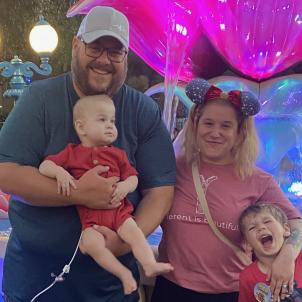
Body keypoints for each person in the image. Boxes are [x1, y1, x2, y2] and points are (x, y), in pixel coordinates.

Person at [0, 6, 176, 302]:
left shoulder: (143, 110)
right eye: (95, 47)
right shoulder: (39, 99)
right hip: (35, 282)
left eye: (115, 51)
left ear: (126, 57)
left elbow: (161, 190)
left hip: (112, 287)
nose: (104, 60)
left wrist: (121, 242)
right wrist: (79, 193)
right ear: (76, 45)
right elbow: (6, 171)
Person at [151, 78, 302, 302]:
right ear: (195, 124)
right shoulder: (173, 166)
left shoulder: (258, 180)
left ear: (240, 132)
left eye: (226, 126)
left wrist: (288, 255)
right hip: (171, 289)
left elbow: (295, 220)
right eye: (208, 123)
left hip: (228, 294)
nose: (215, 132)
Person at [39, 94, 174, 295]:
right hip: (91, 221)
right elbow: (45, 166)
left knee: (135, 234)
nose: (110, 125)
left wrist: (125, 186)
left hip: (119, 214)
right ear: (81, 127)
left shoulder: (118, 154)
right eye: (102, 120)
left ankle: (149, 264)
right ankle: (123, 274)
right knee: (92, 245)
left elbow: (133, 177)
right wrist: (60, 173)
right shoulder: (72, 153)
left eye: (112, 121)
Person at [238, 203, 302, 302]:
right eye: (252, 228)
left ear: (286, 229)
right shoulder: (247, 277)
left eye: (267, 221)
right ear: (248, 244)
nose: (261, 228)